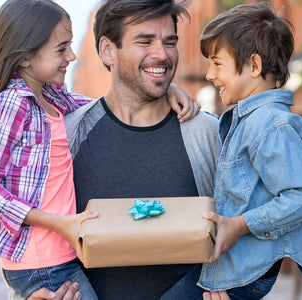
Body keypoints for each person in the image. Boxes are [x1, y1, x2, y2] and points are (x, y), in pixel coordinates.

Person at [0, 0, 200, 299]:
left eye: (70, 46)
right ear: (24, 57)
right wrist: (60, 224)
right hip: (43, 264)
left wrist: (166, 88)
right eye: (61, 49)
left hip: (57, 258)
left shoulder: (54, 100)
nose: (71, 56)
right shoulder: (11, 103)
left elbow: (106, 105)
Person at [26, 0, 219, 299]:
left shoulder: (206, 134)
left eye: (170, 42)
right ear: (107, 50)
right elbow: (30, 240)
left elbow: (248, 236)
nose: (162, 54)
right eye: (145, 41)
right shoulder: (67, 134)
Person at [167, 2, 302, 299]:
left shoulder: (269, 124)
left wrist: (240, 225)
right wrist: (171, 90)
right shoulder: (249, 119)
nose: (210, 74)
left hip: (243, 275)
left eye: (217, 63)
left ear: (253, 65)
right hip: (234, 269)